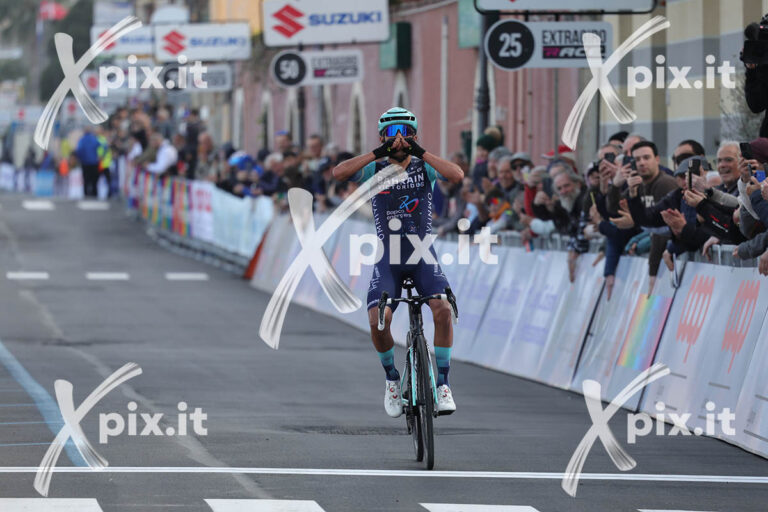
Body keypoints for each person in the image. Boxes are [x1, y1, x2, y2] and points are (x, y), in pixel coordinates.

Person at [332, 107, 464, 418]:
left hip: (422, 255)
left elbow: (456, 175)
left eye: (405, 132)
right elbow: (339, 173)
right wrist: (378, 152)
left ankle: (443, 384)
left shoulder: (425, 168)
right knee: (379, 319)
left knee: (443, 309)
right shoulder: (373, 169)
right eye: (392, 133)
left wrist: (420, 151)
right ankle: (392, 379)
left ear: (415, 136)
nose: (399, 139)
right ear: (382, 138)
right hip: (388, 257)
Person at [75, 127, 101, 197]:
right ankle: (95, 194)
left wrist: (81, 159)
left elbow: (79, 150)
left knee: (86, 180)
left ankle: (86, 195)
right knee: (94, 180)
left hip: (85, 163)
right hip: (94, 163)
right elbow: (100, 146)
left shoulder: (82, 140)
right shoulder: (94, 138)